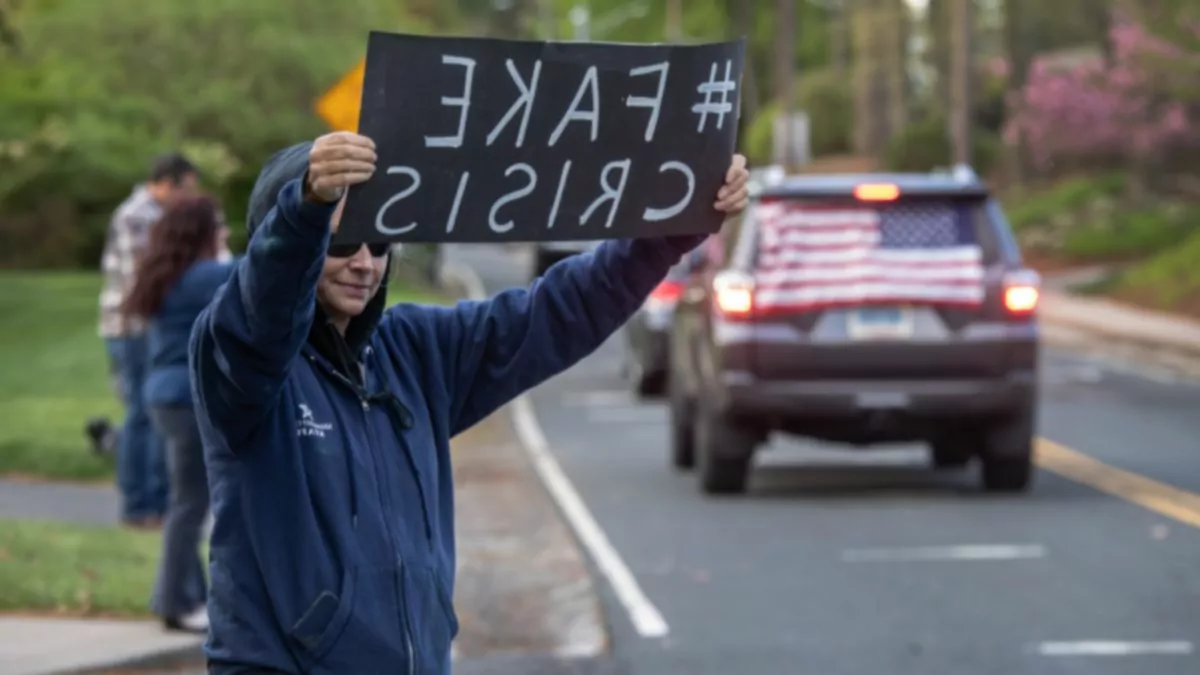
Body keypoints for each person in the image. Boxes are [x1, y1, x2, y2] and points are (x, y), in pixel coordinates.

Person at [191, 132, 749, 674]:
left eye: (379, 242)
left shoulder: (414, 350)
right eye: (341, 243)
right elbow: (262, 311)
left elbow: (557, 311)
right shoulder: (240, 363)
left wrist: (669, 233)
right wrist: (307, 210)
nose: (365, 262)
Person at [121, 193, 234, 634]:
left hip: (163, 396)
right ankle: (173, 602)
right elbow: (266, 272)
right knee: (190, 504)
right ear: (202, 232)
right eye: (219, 224)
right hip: (188, 399)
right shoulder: (206, 275)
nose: (224, 230)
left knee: (183, 502)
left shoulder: (168, 275)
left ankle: (191, 596)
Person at [92, 152, 201, 528]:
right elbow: (154, 275)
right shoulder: (138, 216)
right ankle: (139, 506)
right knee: (141, 414)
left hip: (145, 327)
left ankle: (152, 503)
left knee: (146, 413)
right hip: (133, 328)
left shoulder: (152, 213)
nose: (188, 197)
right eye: (186, 189)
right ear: (167, 182)